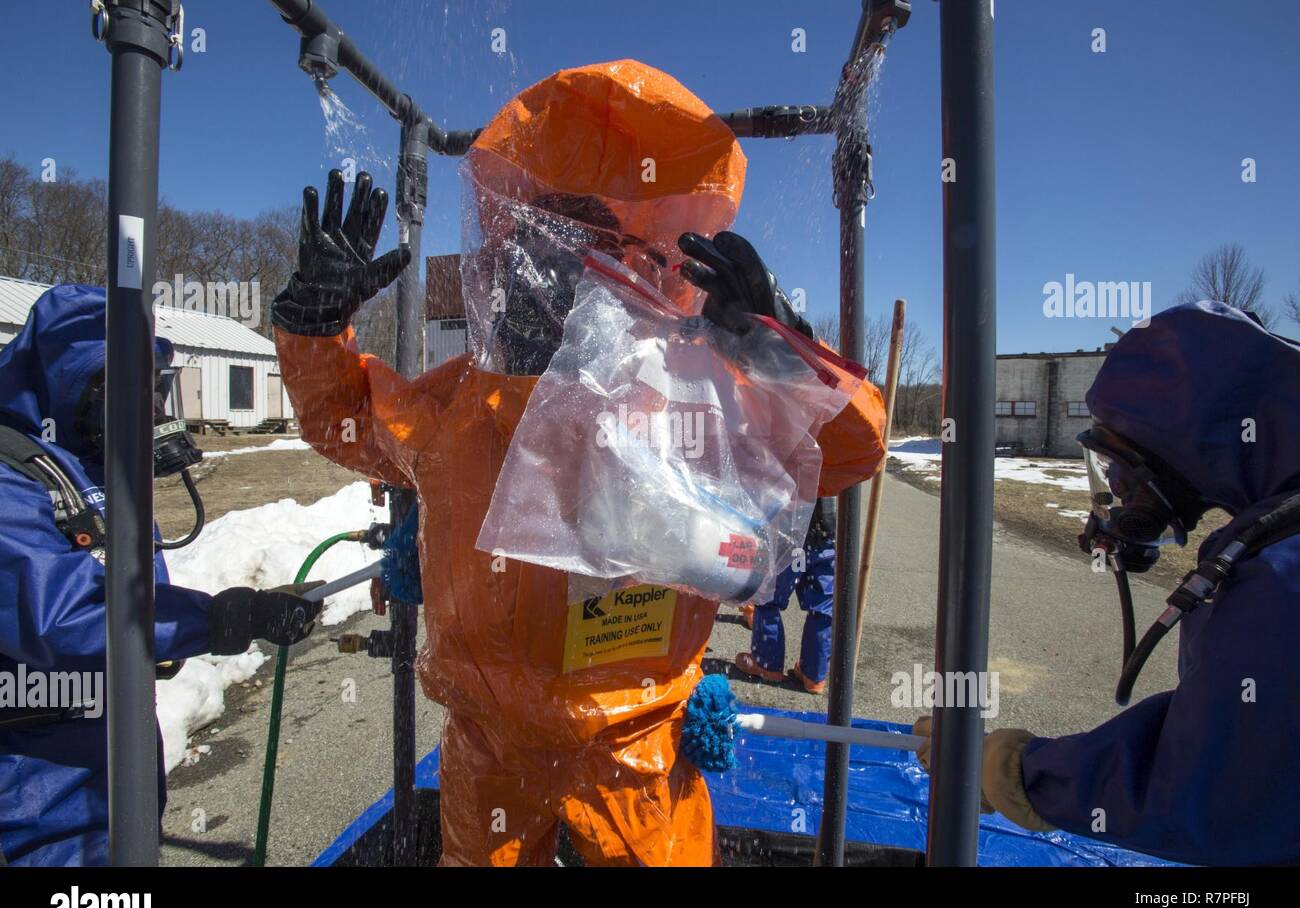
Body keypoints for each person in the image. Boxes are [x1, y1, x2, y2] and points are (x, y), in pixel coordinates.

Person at [272, 60, 888, 866]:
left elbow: (851, 449)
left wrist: (768, 338)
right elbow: (348, 421)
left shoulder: (688, 391)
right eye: (532, 245)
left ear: (631, 266)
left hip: (638, 753)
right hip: (491, 752)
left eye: (578, 248)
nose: (548, 273)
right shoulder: (460, 405)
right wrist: (314, 327)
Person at [913, 301, 1300, 866]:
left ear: (1182, 439)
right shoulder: (1273, 533)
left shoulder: (1278, 569)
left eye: (1122, 463)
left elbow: (1212, 785)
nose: (1118, 492)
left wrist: (1014, 771)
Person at [0, 285, 324, 866]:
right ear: (71, 382)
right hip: (37, 781)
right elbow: (62, 618)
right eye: (126, 391)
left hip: (116, 752)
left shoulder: (96, 467)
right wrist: (223, 617)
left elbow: (135, 586)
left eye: (154, 390)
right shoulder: (12, 477)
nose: (147, 411)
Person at [734, 497, 837, 694]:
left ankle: (767, 663)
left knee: (769, 596)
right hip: (827, 532)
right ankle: (814, 674)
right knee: (823, 605)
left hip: (793, 530)